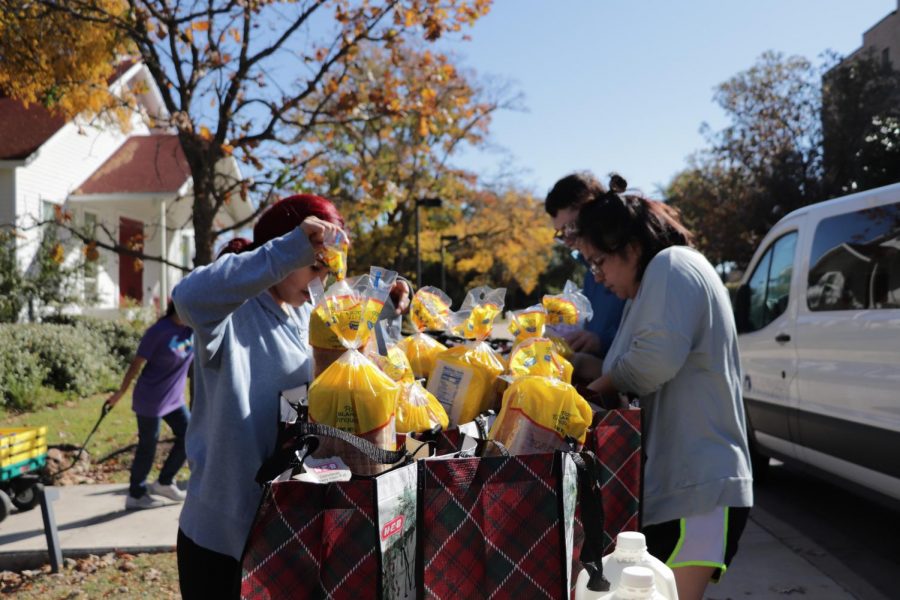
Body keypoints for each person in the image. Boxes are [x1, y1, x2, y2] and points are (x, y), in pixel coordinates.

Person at [171, 194, 409, 599]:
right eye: (313, 265)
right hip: (223, 537)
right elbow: (187, 297)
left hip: (290, 529)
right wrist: (291, 247)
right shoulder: (231, 314)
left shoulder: (308, 317)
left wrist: (382, 313)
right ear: (279, 253)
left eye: (326, 268)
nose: (320, 280)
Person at [575, 175, 753, 600]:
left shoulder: (672, 265)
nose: (596, 277)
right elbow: (636, 369)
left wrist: (586, 396)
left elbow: (652, 363)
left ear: (631, 248)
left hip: (699, 486)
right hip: (679, 486)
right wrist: (577, 365)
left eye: (599, 261)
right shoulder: (650, 286)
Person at [105, 302, 193, 510]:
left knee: (189, 435)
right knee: (148, 446)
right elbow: (136, 365)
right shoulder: (158, 331)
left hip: (174, 400)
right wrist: (120, 393)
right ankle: (136, 494)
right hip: (150, 398)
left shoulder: (193, 329)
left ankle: (164, 482)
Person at [544, 172, 626, 366]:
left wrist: (602, 342)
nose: (570, 241)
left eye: (570, 228)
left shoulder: (624, 263)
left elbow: (646, 336)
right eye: (561, 234)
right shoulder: (590, 270)